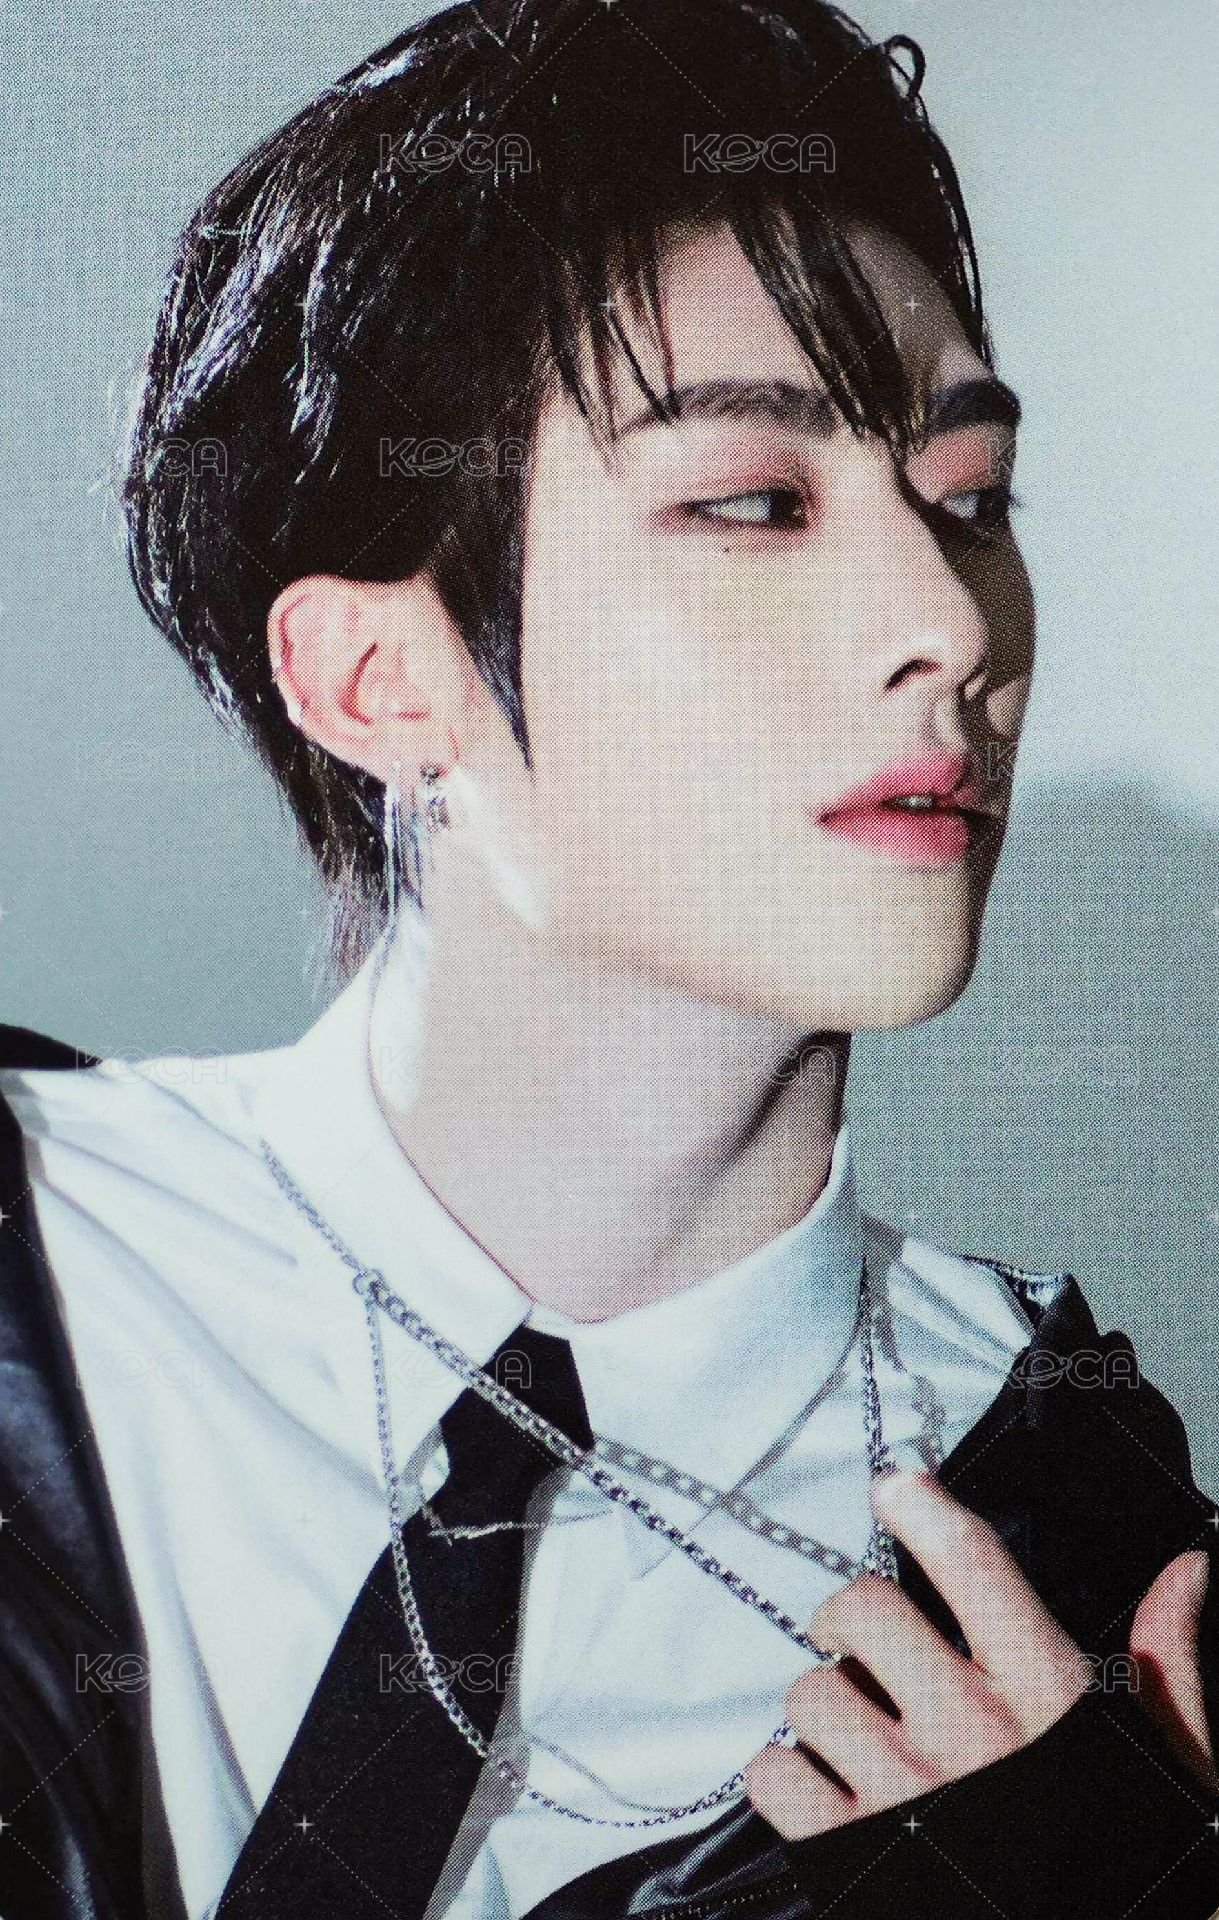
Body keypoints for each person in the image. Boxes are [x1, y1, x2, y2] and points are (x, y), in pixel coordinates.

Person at [2, 2, 1218, 1916]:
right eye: (754, 503)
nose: (947, 620)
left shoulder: (1087, 1541)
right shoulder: (39, 1263)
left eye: (972, 503)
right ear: (374, 678)